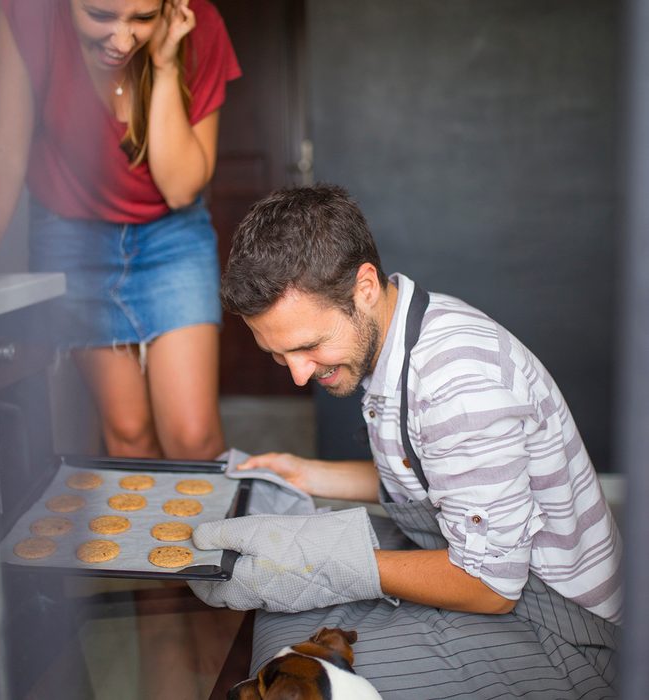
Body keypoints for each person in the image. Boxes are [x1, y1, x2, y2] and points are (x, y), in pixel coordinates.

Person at [189, 184, 622, 698]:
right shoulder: (403, 330)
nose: (299, 375)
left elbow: (491, 585)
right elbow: (428, 477)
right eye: (279, 355)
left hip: (562, 628)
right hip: (476, 563)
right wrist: (300, 471)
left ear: (364, 286)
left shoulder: (455, 383)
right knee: (287, 628)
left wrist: (321, 560)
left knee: (297, 679)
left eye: (309, 346)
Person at [0, 0, 240, 459]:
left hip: (172, 237)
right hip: (73, 241)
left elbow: (179, 190)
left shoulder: (202, 26)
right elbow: (4, 157)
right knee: (128, 434)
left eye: (142, 19)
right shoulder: (27, 15)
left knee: (194, 439)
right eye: (100, 15)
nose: (122, 40)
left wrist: (166, 63)